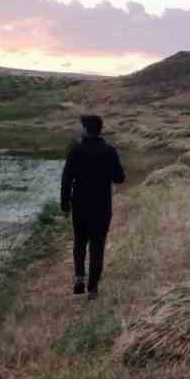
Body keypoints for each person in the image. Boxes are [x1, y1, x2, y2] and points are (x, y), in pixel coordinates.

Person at [60, 114, 125, 299]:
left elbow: (66, 180)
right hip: (102, 206)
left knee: (79, 243)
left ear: (85, 129)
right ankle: (93, 287)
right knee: (97, 245)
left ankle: (79, 280)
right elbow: (119, 178)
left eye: (81, 127)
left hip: (80, 204)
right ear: (99, 130)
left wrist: (65, 205)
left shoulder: (75, 150)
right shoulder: (109, 151)